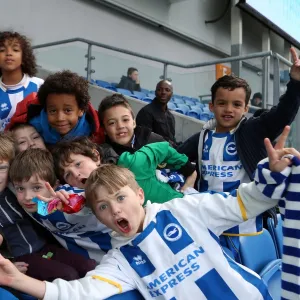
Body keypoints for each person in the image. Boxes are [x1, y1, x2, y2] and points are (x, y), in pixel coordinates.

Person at [0, 128, 297, 300]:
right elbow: (79, 292)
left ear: (139, 194)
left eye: (120, 198)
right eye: (103, 206)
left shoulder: (184, 210)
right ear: (98, 216)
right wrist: (18, 281)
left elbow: (245, 204)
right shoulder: (119, 262)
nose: (115, 209)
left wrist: (269, 175)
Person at [177, 47, 300, 259]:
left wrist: (296, 83)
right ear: (211, 106)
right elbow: (175, 157)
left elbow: (282, 114)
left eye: (236, 104)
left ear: (246, 108)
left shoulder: (253, 130)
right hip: (207, 224)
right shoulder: (202, 137)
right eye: (222, 103)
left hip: (244, 227)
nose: (228, 109)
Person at [0, 132, 96, 282]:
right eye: (21, 189)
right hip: (22, 257)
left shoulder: (18, 189)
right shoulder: (20, 190)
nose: (27, 195)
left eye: (1, 168)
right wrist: (6, 263)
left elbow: (42, 212)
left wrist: (64, 201)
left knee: (89, 266)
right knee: (67, 275)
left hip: (47, 248)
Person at [9, 148, 112, 263]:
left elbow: (87, 196)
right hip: (95, 262)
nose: (27, 196)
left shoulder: (64, 196)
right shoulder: (33, 204)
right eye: (20, 188)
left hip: (119, 245)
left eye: (37, 187)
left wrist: (72, 202)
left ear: (55, 185)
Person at [51, 137, 196, 204]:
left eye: (78, 164)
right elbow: (40, 209)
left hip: (188, 210)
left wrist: (190, 171)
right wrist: (49, 202)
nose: (76, 174)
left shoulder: (131, 164)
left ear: (95, 156)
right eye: (68, 174)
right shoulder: (81, 199)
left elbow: (163, 148)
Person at [5, 70, 105, 145]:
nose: (60, 118)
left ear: (81, 110)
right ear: (45, 109)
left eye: (67, 110)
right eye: (53, 111)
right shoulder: (33, 126)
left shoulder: (93, 133)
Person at [0, 31, 44, 131]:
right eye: (2, 50)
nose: (8, 53)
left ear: (24, 57)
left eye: (15, 50)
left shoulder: (39, 85)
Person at [98, 93, 165, 155]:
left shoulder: (154, 141)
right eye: (112, 123)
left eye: (125, 120)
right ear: (104, 130)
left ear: (134, 123)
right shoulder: (103, 155)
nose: (120, 126)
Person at [136, 80, 177, 146]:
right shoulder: (146, 112)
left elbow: (172, 139)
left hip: (171, 150)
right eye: (159, 89)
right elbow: (144, 139)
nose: (163, 92)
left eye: (167, 90)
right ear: (155, 93)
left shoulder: (170, 117)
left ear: (171, 94)